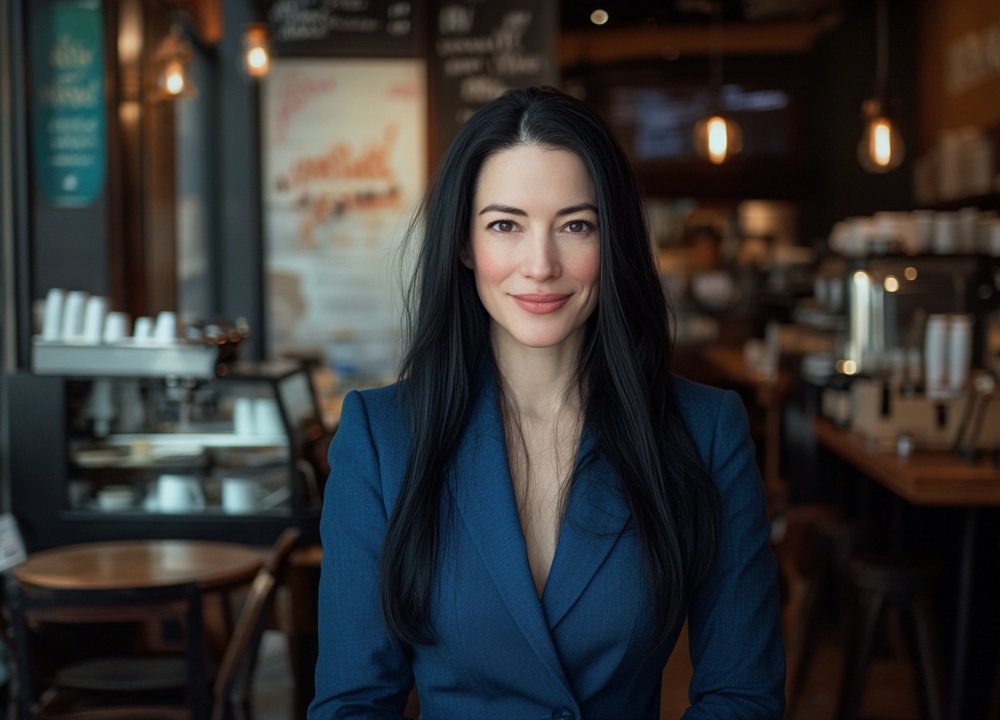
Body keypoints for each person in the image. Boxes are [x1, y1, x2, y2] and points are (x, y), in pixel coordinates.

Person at [310, 86, 785, 719]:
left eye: (575, 225)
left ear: (611, 243)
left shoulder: (705, 430)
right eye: (505, 225)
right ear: (463, 245)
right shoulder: (381, 437)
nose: (541, 264)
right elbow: (353, 705)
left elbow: (743, 698)